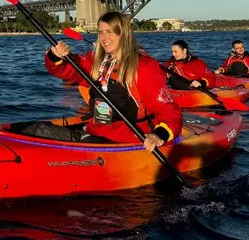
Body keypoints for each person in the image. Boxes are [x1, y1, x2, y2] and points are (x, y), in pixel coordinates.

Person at [33, 11, 182, 153]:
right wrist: (55, 56)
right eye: (100, 32)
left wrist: (158, 135)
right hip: (94, 132)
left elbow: (169, 110)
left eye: (110, 31)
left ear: (123, 33)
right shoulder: (96, 61)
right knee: (35, 130)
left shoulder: (142, 67)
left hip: (125, 141)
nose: (104, 38)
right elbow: (66, 70)